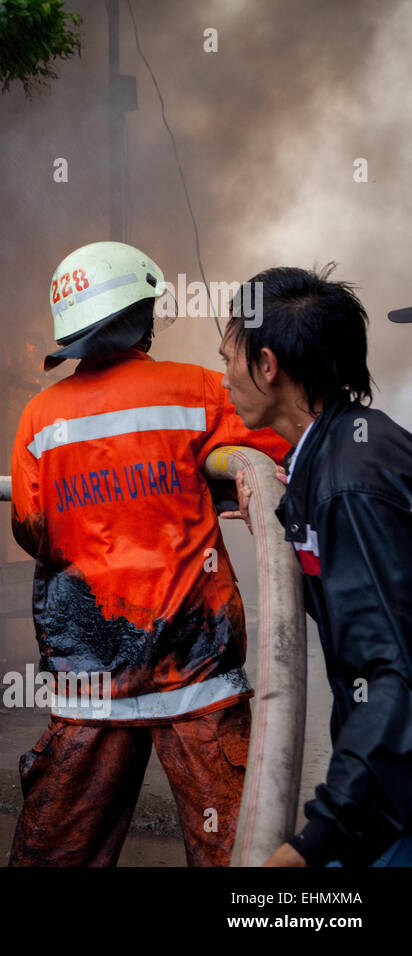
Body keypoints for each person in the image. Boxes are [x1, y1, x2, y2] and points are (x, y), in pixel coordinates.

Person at [9, 241, 292, 866]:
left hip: (90, 675)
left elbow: (32, 528)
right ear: (143, 314)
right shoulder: (195, 391)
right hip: (193, 670)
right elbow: (284, 440)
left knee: (59, 852)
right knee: (237, 857)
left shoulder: (38, 418)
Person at [218, 264, 412, 867]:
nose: (223, 378)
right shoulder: (336, 452)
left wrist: (313, 842)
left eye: (229, 358)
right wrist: (283, 512)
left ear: (268, 366)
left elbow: (395, 675)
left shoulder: (347, 482)